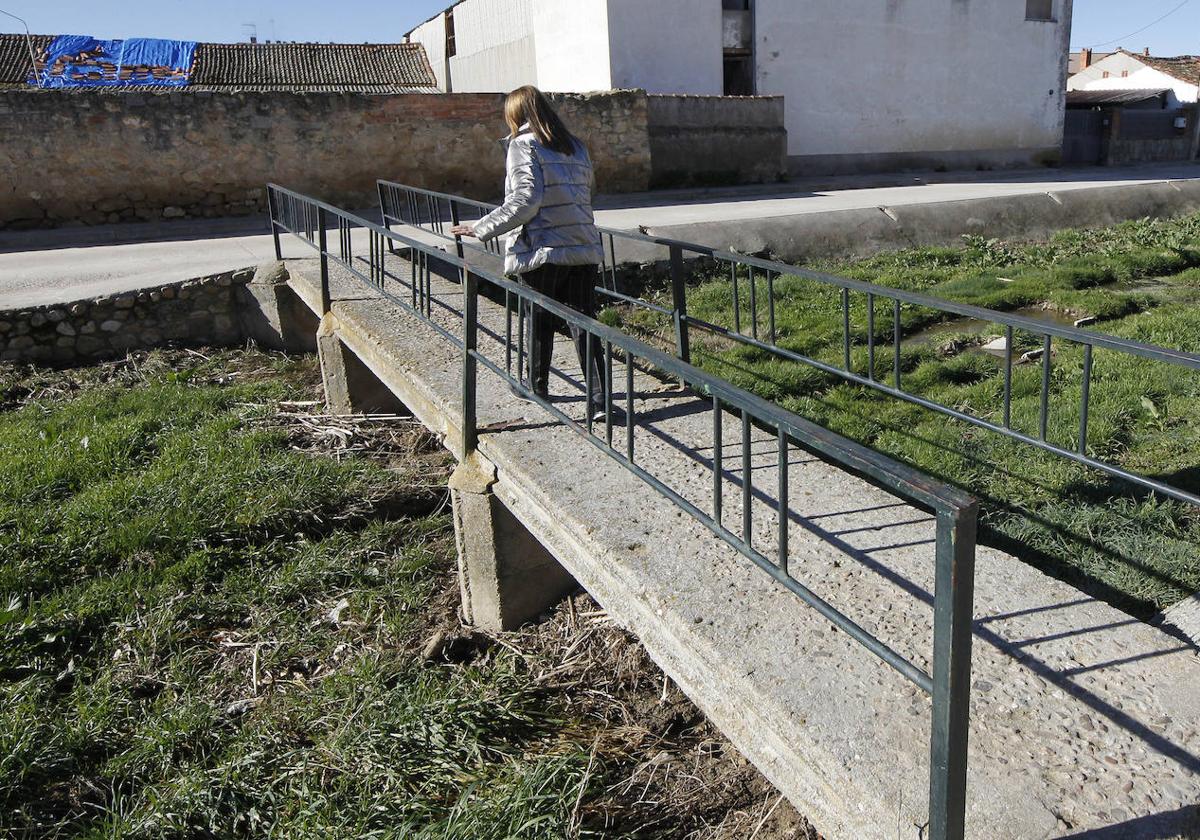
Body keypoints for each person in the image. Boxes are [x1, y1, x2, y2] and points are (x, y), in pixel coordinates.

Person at [451, 85, 608, 419]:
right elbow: (587, 192)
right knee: (584, 321)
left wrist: (481, 228)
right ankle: (600, 402)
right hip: (583, 245)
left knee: (537, 318)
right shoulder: (576, 146)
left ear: (516, 114)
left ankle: (535, 386)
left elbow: (525, 200)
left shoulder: (523, 145)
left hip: (542, 249)